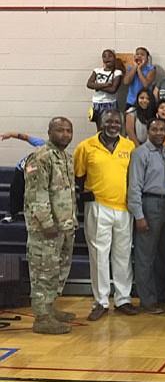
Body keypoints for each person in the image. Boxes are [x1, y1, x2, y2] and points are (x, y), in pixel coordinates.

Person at [74, 109, 138, 321]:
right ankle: (101, 302)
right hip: (98, 206)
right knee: (99, 256)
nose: (113, 125)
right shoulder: (86, 147)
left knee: (122, 256)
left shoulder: (129, 146)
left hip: (124, 208)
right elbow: (78, 179)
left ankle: (123, 299)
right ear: (100, 123)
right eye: (108, 121)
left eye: (117, 122)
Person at [24, 117, 77, 334]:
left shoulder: (66, 158)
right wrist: (46, 223)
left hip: (64, 226)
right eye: (60, 130)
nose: (65, 134)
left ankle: (51, 307)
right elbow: (37, 194)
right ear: (49, 132)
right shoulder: (40, 157)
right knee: (43, 272)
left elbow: (68, 192)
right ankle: (42, 318)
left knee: (57, 271)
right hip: (45, 229)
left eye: (68, 130)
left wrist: (71, 220)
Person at [127, 117, 165, 314]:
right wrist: (139, 215)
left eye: (163, 130)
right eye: (155, 130)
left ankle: (160, 294)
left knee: (162, 254)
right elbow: (134, 186)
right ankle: (147, 299)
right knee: (145, 255)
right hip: (149, 203)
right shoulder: (140, 153)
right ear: (147, 131)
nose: (159, 133)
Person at [0, 131, 45, 223]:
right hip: (22, 169)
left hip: (38, 173)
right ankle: (12, 213)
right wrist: (10, 134)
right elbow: (24, 137)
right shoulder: (41, 143)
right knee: (16, 190)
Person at [86, 49, 122, 125]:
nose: (107, 58)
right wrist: (106, 85)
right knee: (99, 124)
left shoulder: (117, 72)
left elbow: (113, 89)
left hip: (109, 102)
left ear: (114, 58)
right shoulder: (97, 70)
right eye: (104, 56)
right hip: (97, 102)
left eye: (110, 56)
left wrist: (96, 86)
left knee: (110, 125)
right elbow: (89, 84)